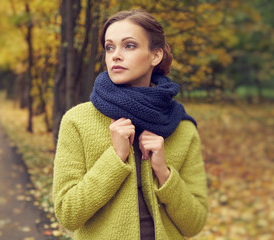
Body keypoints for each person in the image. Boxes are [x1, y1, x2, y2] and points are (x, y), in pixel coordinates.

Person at [53, 9, 208, 240]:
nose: (115, 55)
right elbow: (67, 214)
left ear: (155, 56)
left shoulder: (182, 128)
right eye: (109, 47)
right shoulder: (78, 121)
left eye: (129, 46)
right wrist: (114, 159)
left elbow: (194, 224)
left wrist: (164, 174)